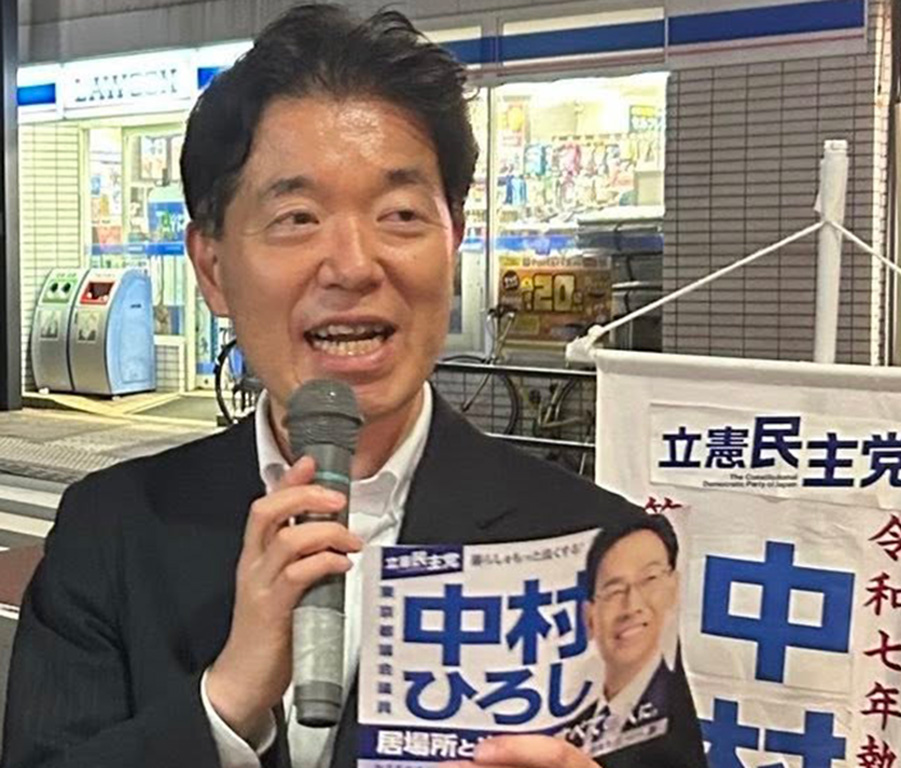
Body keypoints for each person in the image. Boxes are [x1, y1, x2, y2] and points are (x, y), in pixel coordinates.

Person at [1, 6, 706, 768]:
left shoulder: (597, 547)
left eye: (399, 214)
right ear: (212, 268)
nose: (354, 265)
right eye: (297, 217)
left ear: (453, 241)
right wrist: (225, 706)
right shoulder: (111, 532)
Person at [563, 516, 687, 756]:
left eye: (650, 579)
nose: (632, 606)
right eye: (614, 590)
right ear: (589, 616)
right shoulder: (569, 714)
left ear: (674, 587)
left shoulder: (679, 711)